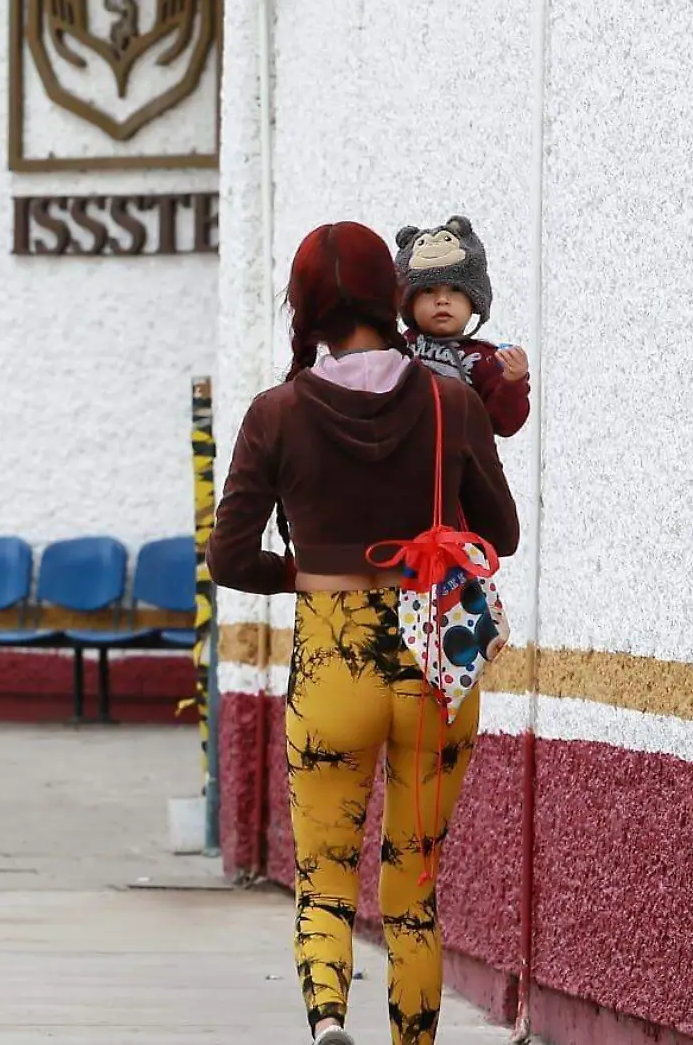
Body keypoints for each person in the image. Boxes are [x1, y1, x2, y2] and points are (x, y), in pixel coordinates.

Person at [209, 222, 519, 1045]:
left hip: (330, 660)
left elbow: (230, 556)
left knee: (325, 877)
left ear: (305, 307)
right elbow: (504, 533)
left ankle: (327, 1023)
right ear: (393, 300)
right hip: (432, 666)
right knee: (414, 889)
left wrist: (304, 571)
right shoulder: (452, 400)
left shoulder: (275, 412)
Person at [394, 216, 530, 437]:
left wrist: (513, 381)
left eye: (455, 290)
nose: (442, 300)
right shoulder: (396, 348)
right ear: (408, 303)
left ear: (474, 300)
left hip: (459, 465)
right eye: (428, 291)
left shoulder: (486, 360)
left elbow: (504, 424)